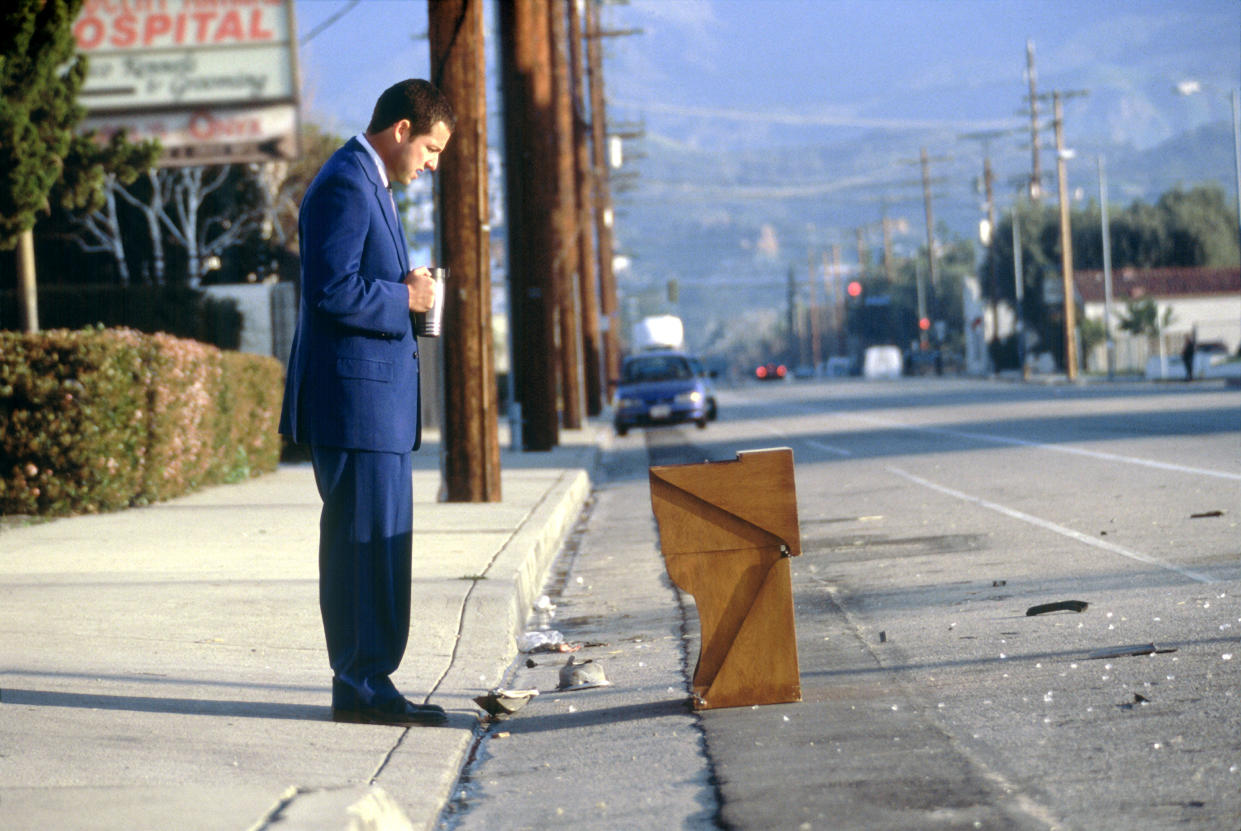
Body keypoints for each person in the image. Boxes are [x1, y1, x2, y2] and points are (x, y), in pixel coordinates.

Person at [279, 79, 454, 726]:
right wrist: (404, 298)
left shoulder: (369, 181)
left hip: (373, 405)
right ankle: (360, 683)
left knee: (378, 545)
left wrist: (406, 291)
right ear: (402, 129)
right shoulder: (347, 182)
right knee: (361, 546)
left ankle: (368, 680)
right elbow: (331, 290)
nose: (432, 164)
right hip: (352, 403)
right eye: (432, 148)